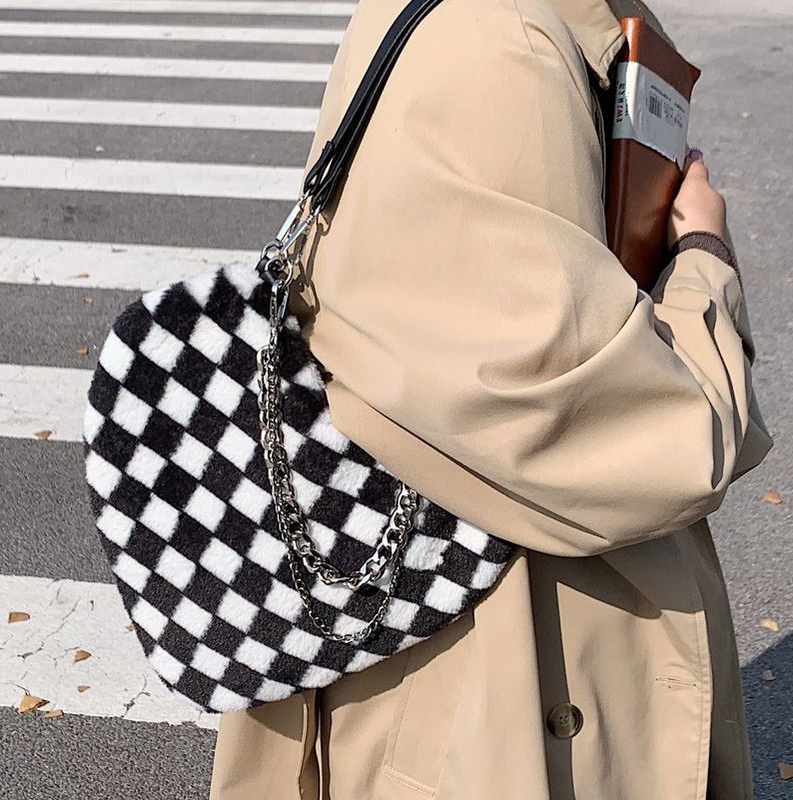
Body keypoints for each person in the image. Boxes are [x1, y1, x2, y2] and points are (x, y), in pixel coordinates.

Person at [209, 0, 774, 797]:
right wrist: (705, 259)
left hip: (462, 619)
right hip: (506, 679)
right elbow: (645, 442)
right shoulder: (506, 43)